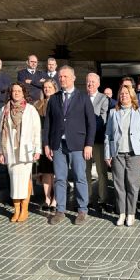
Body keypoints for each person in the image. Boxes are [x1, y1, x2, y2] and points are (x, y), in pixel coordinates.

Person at [43, 65, 96, 225]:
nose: (62, 79)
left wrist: (89, 144)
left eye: (65, 76)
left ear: (73, 78)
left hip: (78, 144)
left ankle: (82, 210)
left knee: (80, 177)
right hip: (58, 144)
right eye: (60, 77)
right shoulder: (54, 98)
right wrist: (46, 144)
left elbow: (91, 123)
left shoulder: (83, 97)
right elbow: (48, 124)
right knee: (60, 178)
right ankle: (60, 210)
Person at [104, 85, 140, 226]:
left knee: (133, 185)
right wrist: (107, 154)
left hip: (134, 154)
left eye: (126, 93)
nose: (123, 95)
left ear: (132, 96)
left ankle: (131, 213)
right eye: (121, 93)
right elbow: (108, 134)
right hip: (117, 153)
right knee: (119, 185)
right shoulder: (113, 112)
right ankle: (122, 213)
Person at [0, 83, 41, 222]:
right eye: (13, 91)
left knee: (25, 179)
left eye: (19, 91)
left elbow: (36, 131)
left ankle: (25, 209)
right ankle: (16, 210)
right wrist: (0, 152)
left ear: (23, 93)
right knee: (14, 180)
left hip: (26, 150)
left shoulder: (30, 110)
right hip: (10, 149)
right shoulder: (4, 110)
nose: (16, 93)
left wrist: (37, 149)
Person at [85, 73, 110, 213]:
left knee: (101, 172)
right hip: (83, 143)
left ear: (98, 84)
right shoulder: (81, 98)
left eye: (93, 82)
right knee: (85, 172)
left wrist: (87, 129)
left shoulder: (103, 99)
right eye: (88, 82)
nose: (90, 84)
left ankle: (103, 200)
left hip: (98, 140)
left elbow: (102, 120)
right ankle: (86, 199)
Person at [33, 79, 58, 211]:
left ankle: (55, 200)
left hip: (56, 141)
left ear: (55, 89)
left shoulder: (60, 103)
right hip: (42, 142)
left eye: (50, 87)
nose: (47, 89)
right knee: (46, 171)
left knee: (56, 171)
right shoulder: (38, 104)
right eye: (45, 87)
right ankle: (47, 199)